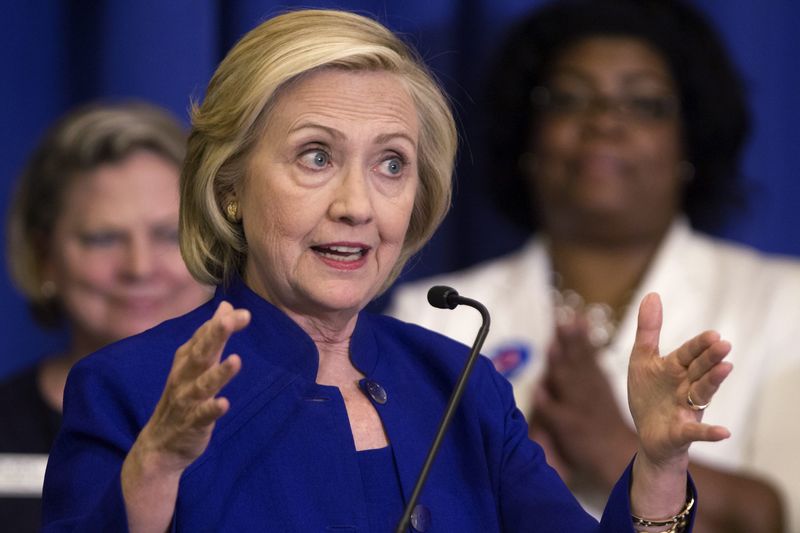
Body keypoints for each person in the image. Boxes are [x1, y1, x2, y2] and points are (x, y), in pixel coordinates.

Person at [42, 9, 733, 532]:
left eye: (392, 163)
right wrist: (156, 466)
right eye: (315, 155)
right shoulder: (127, 389)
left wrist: (659, 468)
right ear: (228, 184)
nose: (357, 205)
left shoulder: (462, 387)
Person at [389, 1, 799, 532]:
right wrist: (509, 476)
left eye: (645, 104)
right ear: (527, 136)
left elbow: (784, 511)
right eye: (569, 98)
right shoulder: (434, 314)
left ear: (690, 139)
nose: (604, 120)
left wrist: (617, 449)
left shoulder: (784, 301)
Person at [0, 102, 213, 532]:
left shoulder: (281, 416)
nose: (139, 267)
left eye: (168, 235)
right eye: (103, 238)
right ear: (45, 258)